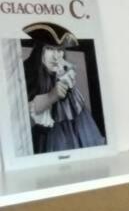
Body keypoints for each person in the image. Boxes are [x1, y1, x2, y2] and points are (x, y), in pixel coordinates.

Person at [22, 22, 105, 154]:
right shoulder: (28, 72)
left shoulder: (63, 69)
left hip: (76, 130)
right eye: (50, 48)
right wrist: (51, 96)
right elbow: (23, 113)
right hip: (50, 136)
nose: (56, 56)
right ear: (40, 50)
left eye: (60, 50)